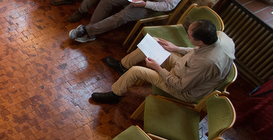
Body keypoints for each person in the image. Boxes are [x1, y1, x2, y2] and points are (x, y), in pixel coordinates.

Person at [91, 20, 235, 104]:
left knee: (136, 71)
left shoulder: (206, 64)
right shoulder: (221, 37)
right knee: (155, 42)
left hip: (184, 89)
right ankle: (123, 66)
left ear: (200, 41)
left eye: (189, 35)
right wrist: (176, 48)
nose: (186, 35)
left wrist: (158, 68)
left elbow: (181, 86)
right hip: (183, 67)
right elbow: (196, 50)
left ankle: (115, 95)